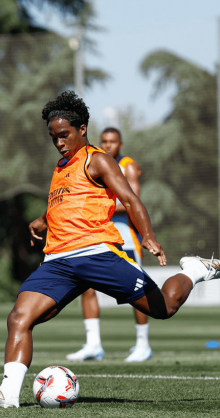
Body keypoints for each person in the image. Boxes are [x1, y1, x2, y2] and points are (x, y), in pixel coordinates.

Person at [0, 90, 220, 408]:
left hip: (97, 254)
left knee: (164, 308)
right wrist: (42, 221)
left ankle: (196, 270)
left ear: (82, 129)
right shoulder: (61, 167)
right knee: (18, 318)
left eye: (64, 135)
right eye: (53, 137)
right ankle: (8, 395)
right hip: (58, 261)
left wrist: (147, 234)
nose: (59, 142)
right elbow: (67, 206)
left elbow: (131, 199)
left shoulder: (98, 160)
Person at [66, 127, 152, 363]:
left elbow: (133, 201)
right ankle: (94, 344)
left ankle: (143, 344)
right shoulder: (94, 165)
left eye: (113, 141)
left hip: (124, 236)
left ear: (120, 144)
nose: (107, 145)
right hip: (98, 235)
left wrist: (98, 206)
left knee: (137, 288)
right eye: (104, 141)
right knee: (86, 286)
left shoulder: (127, 166)